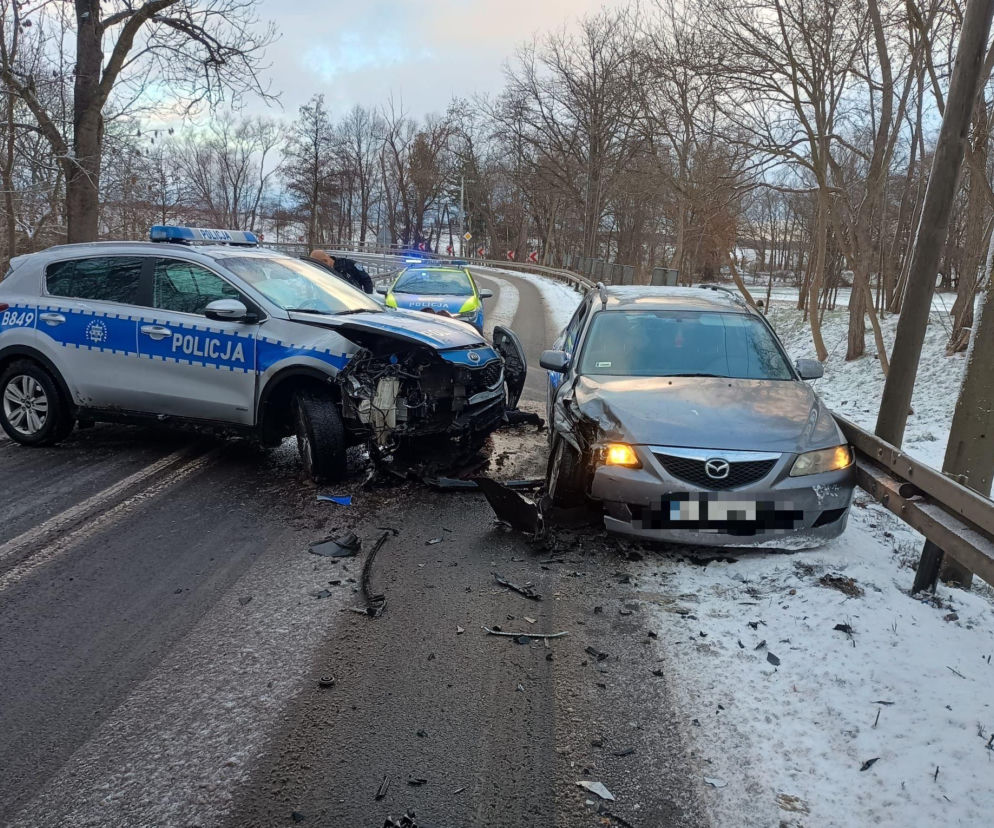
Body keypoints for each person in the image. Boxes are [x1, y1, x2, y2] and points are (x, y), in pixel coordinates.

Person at [304, 249, 374, 294]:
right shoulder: (322, 271)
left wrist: (368, 297)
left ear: (325, 261)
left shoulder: (350, 265)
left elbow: (366, 280)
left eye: (319, 265)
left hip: (355, 302)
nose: (319, 268)